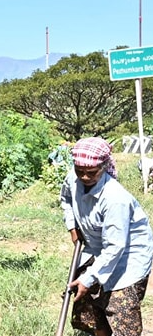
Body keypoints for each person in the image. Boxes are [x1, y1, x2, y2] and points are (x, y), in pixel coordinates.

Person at [60, 137, 153, 336]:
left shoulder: (114, 198)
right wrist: (72, 226)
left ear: (103, 167)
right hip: (96, 247)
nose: (84, 177)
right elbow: (66, 198)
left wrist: (89, 278)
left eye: (91, 173)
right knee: (90, 305)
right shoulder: (72, 178)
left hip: (128, 256)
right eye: (80, 171)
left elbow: (115, 246)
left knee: (121, 311)